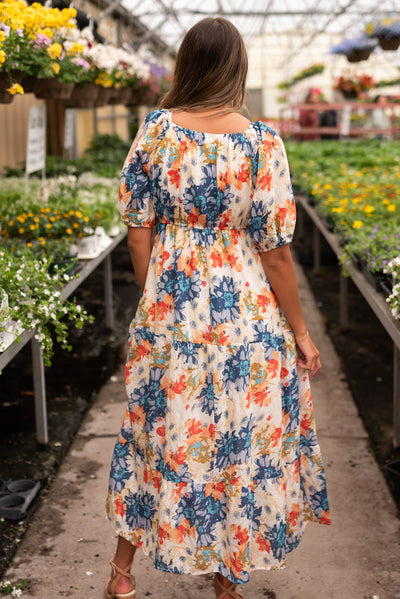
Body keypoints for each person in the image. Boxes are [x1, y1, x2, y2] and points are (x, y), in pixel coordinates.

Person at [105, 17, 330, 599]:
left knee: (156, 432)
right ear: (237, 67)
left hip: (170, 310)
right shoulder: (261, 143)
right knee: (238, 438)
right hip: (245, 317)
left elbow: (137, 230)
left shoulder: (155, 131)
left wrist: (158, 294)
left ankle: (121, 575)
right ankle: (227, 585)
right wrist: (301, 333)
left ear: (186, 63)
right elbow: (276, 252)